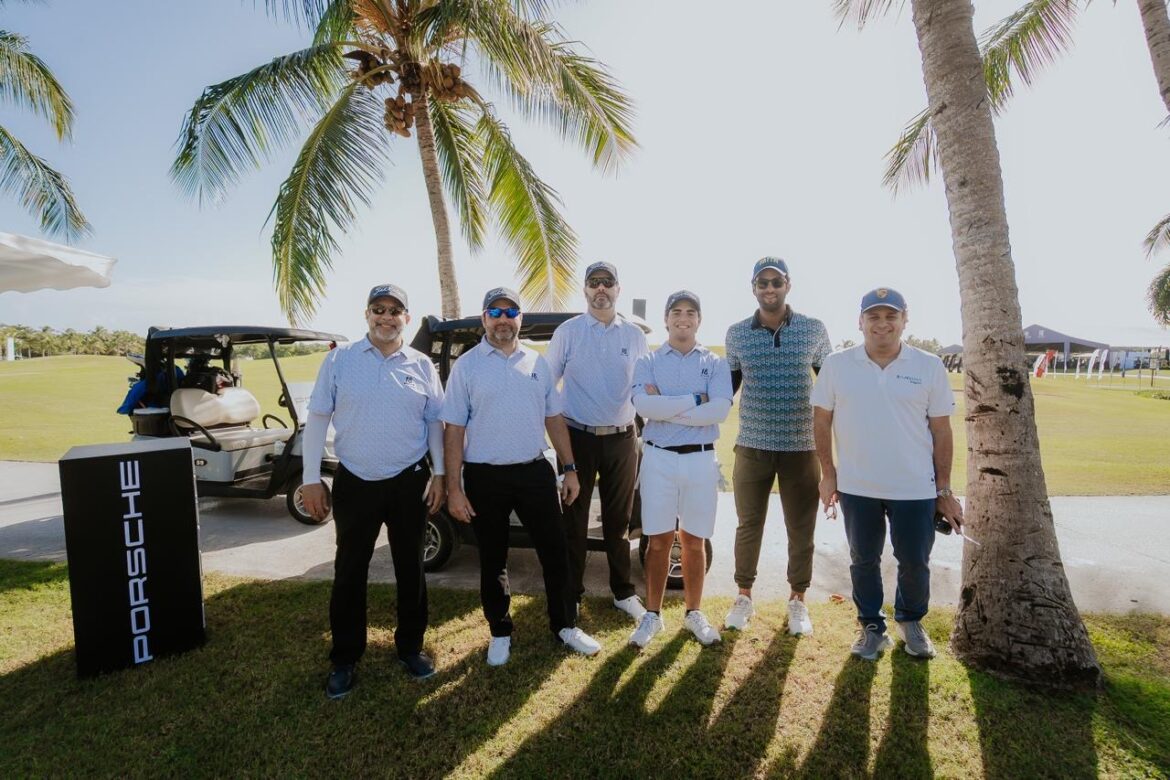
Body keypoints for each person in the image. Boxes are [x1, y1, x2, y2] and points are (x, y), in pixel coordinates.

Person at [441, 286, 602, 666]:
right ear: (484, 319)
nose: (503, 320)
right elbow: (454, 430)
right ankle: (500, 632)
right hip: (484, 475)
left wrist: (570, 468)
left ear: (520, 319)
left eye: (510, 312)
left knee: (556, 552)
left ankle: (565, 625)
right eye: (495, 313)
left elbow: (554, 418)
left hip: (533, 471)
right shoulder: (467, 366)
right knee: (493, 559)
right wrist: (454, 488)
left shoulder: (536, 363)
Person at [301, 283, 447, 699]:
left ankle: (411, 648)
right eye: (378, 309)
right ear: (367, 314)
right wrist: (310, 477)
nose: (386, 317)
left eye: (394, 310)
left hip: (409, 480)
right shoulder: (340, 359)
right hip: (355, 480)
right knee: (349, 570)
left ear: (406, 317)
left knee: (410, 567)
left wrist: (439, 474)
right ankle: (345, 657)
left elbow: (434, 422)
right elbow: (318, 418)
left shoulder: (422, 364)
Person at [810, 287, 964, 660]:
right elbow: (821, 420)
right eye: (874, 316)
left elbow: (942, 430)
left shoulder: (928, 365)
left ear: (904, 320)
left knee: (914, 561)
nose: (882, 324)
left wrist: (944, 490)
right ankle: (872, 628)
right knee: (863, 560)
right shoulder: (837, 364)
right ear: (860, 322)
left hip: (915, 487)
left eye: (891, 316)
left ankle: (911, 622)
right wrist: (828, 473)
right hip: (857, 484)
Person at [723, 257, 832, 636]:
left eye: (776, 282)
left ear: (788, 285)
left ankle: (797, 600)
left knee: (801, 529)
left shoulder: (813, 329)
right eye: (762, 283)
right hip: (752, 446)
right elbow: (725, 391)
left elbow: (830, 388)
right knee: (748, 525)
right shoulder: (737, 334)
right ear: (753, 288)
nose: (769, 288)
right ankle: (743, 597)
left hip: (801, 448)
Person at [545, 261, 649, 624]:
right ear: (585, 289)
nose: (600, 288)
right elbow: (547, 386)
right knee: (573, 522)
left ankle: (623, 592)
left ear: (618, 289)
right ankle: (572, 593)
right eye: (594, 282)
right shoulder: (568, 332)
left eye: (607, 282)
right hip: (577, 438)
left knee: (619, 522)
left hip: (622, 438)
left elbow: (644, 388)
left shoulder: (634, 336)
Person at [628, 290, 733, 648]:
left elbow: (719, 410)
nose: (683, 318)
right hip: (659, 457)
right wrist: (694, 401)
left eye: (690, 312)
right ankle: (652, 615)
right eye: (676, 312)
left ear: (699, 319)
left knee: (694, 540)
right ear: (666, 319)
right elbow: (644, 406)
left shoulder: (715, 363)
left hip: (701, 458)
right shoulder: (648, 361)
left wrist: (667, 408)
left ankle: (693, 613)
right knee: (658, 541)